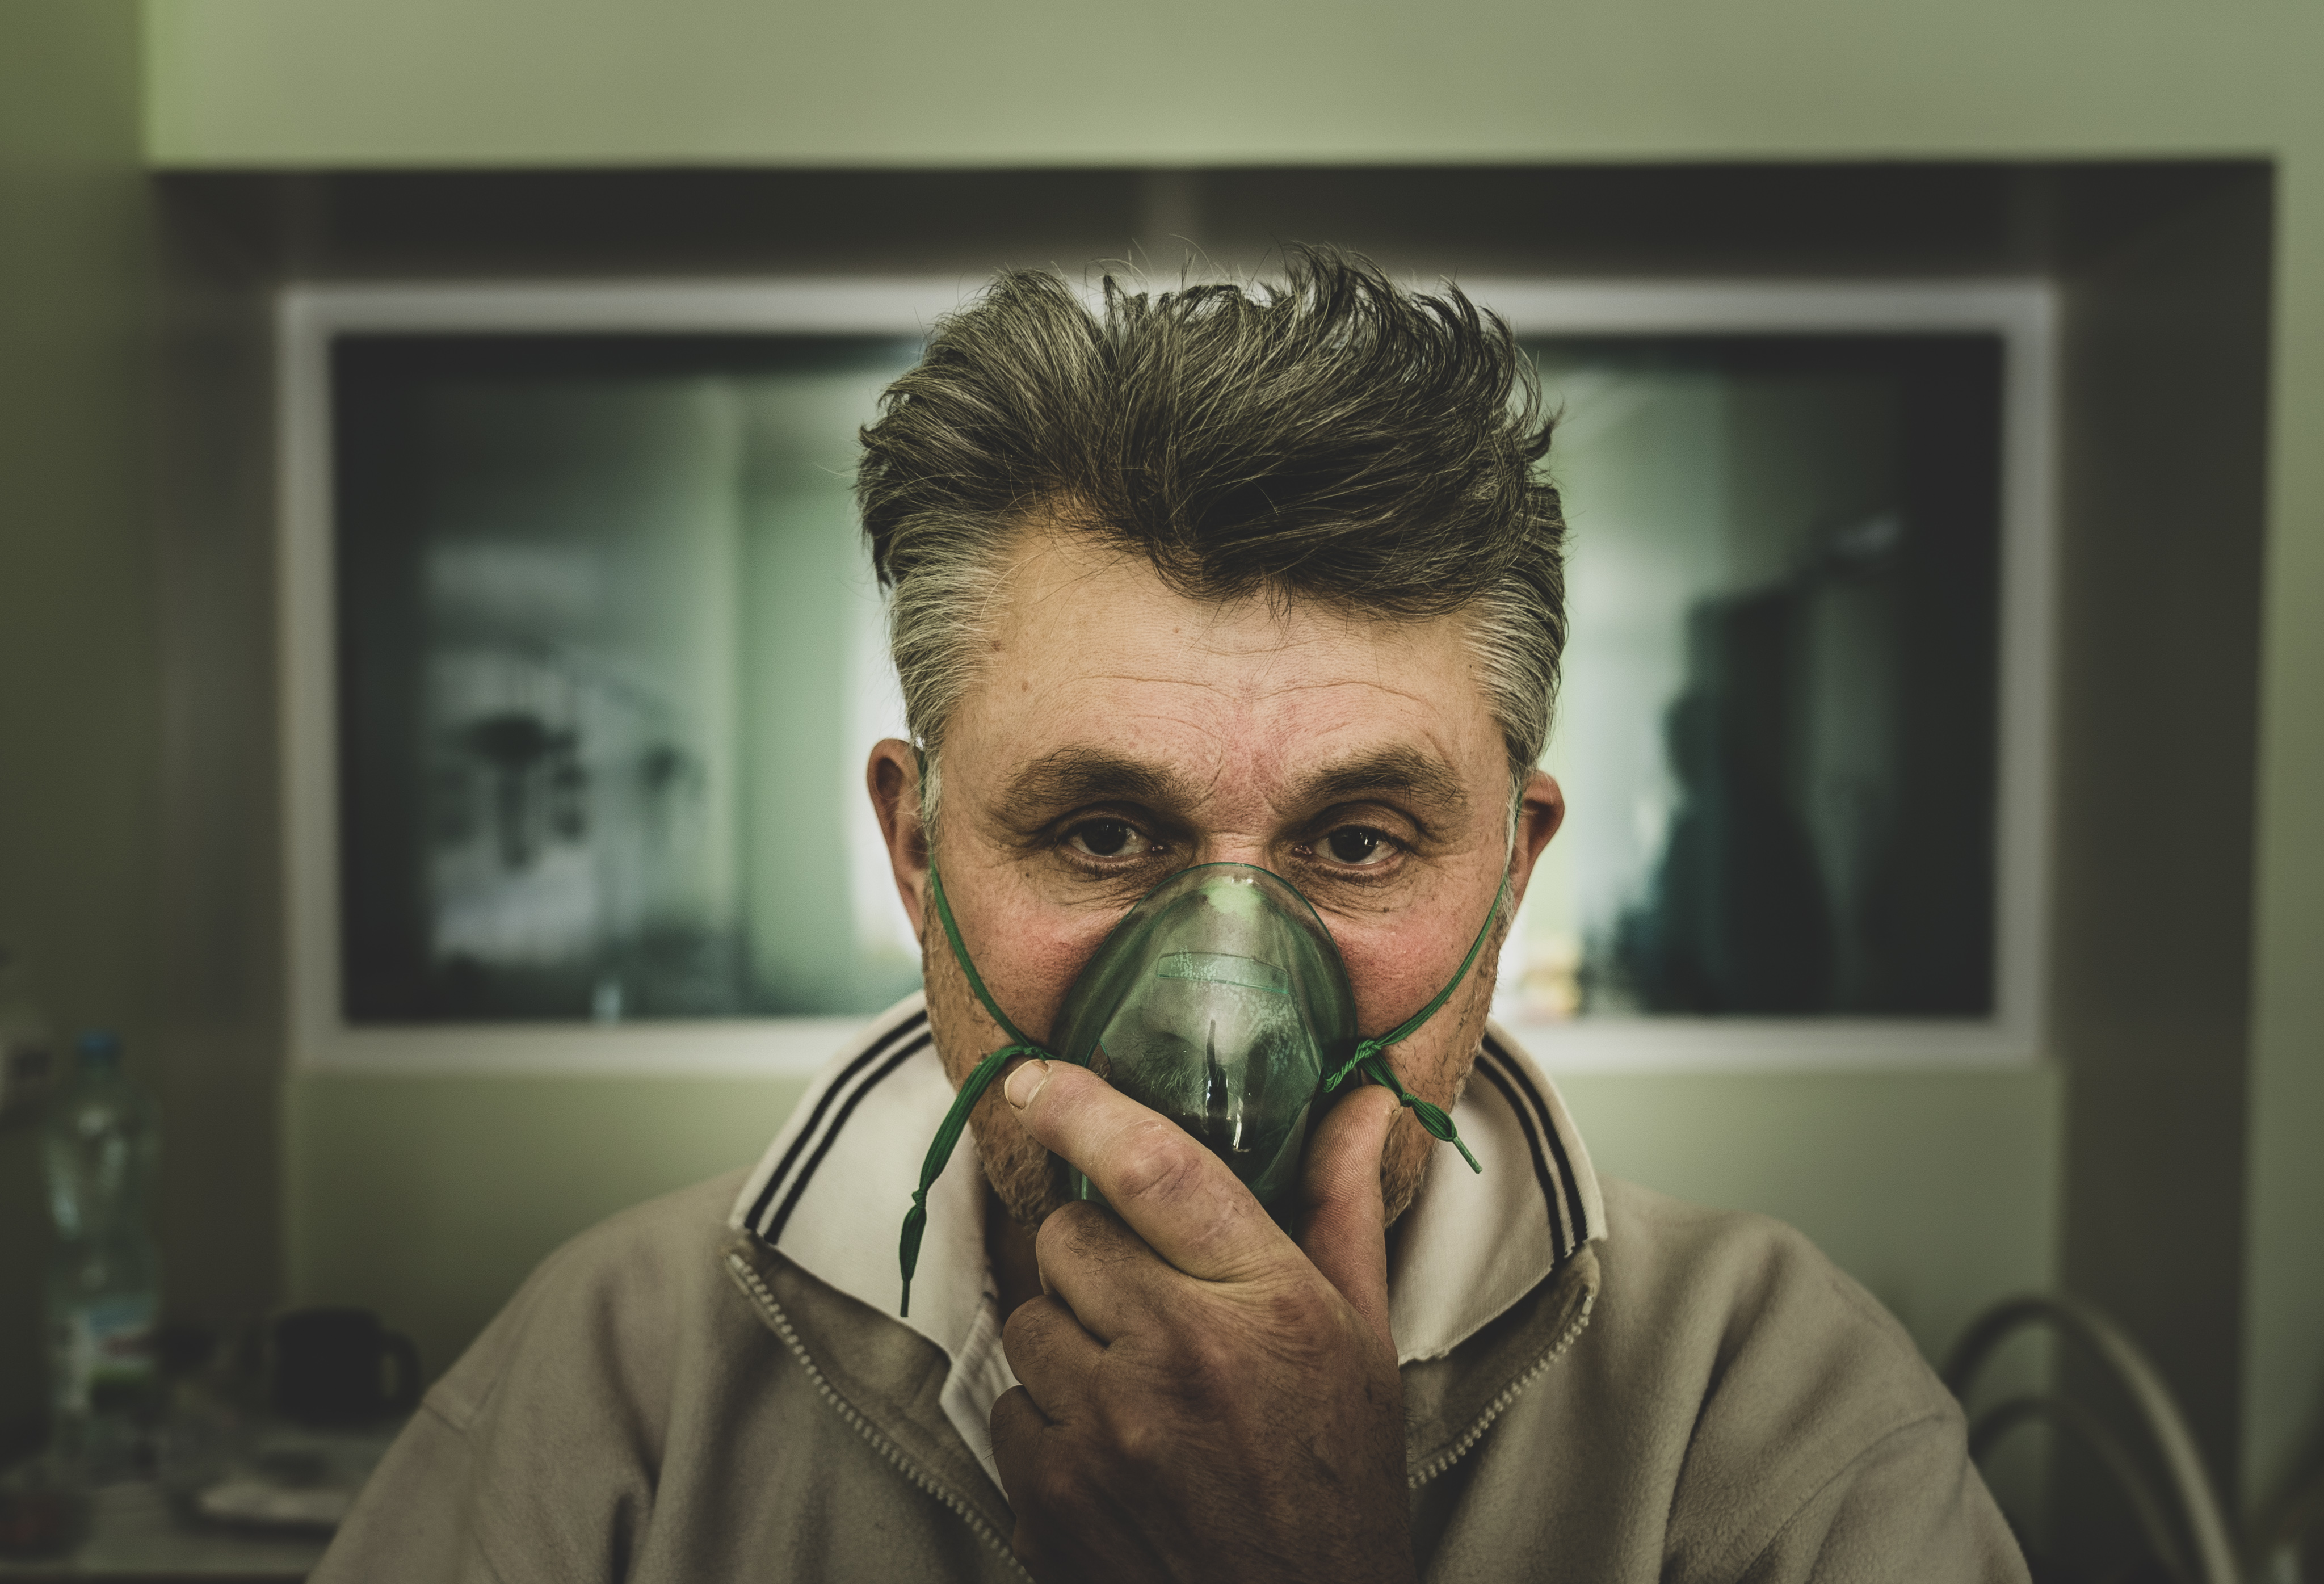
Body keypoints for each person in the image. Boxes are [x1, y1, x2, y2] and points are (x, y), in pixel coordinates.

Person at [314, 249, 2026, 1582]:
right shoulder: (617, 1383)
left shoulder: (1771, 1422)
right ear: (917, 854)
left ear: (1510, 875)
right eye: (1103, 831)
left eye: (1357, 840)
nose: (1222, 1010)